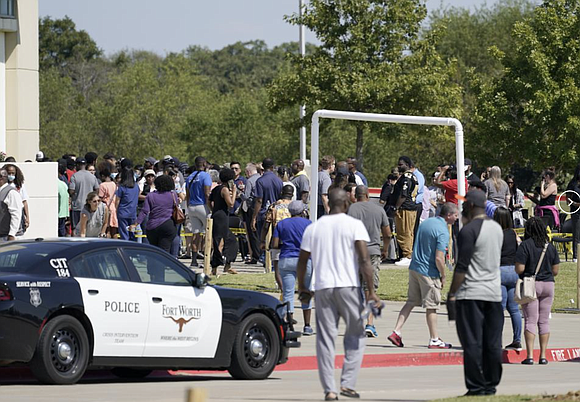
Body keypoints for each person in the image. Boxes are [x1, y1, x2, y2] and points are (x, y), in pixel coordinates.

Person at [297, 189, 381, 401]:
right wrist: (371, 291)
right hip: (348, 287)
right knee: (357, 333)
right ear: (345, 204)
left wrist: (303, 288)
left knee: (325, 339)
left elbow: (302, 261)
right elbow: (364, 261)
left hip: (323, 287)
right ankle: (347, 382)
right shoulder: (354, 226)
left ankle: (330, 390)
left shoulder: (314, 228)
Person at [448, 190, 504, 396]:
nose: (462, 208)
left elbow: (462, 266)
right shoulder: (497, 228)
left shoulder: (469, 230)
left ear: (470, 206)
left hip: (471, 293)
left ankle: (476, 386)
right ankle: (491, 383)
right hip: (493, 293)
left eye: (464, 205)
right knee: (492, 341)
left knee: (472, 341)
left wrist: (452, 293)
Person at [388, 203, 458, 349]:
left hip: (415, 267)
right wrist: (443, 275)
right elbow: (439, 258)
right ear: (449, 215)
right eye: (456, 215)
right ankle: (434, 339)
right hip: (429, 272)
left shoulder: (426, 223)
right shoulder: (443, 231)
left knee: (411, 301)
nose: (457, 219)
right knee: (432, 306)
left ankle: (397, 331)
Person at [347, 185, 391, 338]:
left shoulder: (351, 210)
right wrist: (384, 249)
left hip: (355, 253)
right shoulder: (379, 209)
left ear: (356, 195)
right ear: (367, 194)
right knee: (369, 288)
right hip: (372, 252)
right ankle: (370, 324)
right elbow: (387, 233)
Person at [515, 217, 560, 365]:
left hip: (531, 285)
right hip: (548, 285)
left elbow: (520, 269)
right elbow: (555, 270)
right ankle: (543, 356)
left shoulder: (525, 246)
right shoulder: (550, 247)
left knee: (530, 320)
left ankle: (529, 355)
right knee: (544, 321)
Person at [272, 200, 313, 335]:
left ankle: (289, 324)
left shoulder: (281, 224)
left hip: (286, 258)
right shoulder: (308, 224)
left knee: (288, 292)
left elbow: (275, 244)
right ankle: (307, 325)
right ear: (302, 212)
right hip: (304, 260)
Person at [493, 207, 522, 351]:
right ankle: (517, 340)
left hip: (500, 270)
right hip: (513, 270)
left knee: (500, 309)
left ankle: (497, 340)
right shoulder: (513, 232)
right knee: (514, 309)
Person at [130, 175, 178, 254]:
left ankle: (151, 266)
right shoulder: (173, 195)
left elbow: (144, 211)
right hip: (168, 225)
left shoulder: (150, 195)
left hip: (153, 227)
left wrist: (136, 223)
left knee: (154, 251)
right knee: (164, 251)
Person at [210, 168, 239, 275]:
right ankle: (215, 267)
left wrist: (214, 209)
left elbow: (209, 200)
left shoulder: (216, 188)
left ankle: (227, 265)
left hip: (217, 215)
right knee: (220, 242)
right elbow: (231, 204)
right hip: (222, 217)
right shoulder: (225, 190)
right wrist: (234, 192)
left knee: (229, 240)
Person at [185, 156, 212, 268]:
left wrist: (188, 207)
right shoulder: (205, 176)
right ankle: (207, 258)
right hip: (202, 206)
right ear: (204, 164)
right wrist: (210, 207)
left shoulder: (190, 177)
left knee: (195, 234)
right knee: (209, 232)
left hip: (191, 206)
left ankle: (194, 260)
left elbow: (187, 195)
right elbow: (207, 193)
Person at [392, 156, 419, 266]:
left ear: (407, 165)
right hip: (410, 207)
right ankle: (407, 254)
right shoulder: (410, 176)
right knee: (408, 232)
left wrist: (396, 207)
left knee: (405, 232)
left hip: (406, 208)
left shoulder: (407, 177)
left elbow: (404, 194)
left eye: (401, 164)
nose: (399, 167)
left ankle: (407, 255)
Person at [252, 158, 283, 242]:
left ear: (263, 166)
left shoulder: (260, 181)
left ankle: (262, 254)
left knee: (262, 240)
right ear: (273, 167)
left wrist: (254, 217)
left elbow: (259, 200)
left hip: (263, 214)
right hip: (276, 214)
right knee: (275, 240)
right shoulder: (279, 181)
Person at [68, 157, 100, 233]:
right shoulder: (92, 176)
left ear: (77, 165)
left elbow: (71, 191)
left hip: (77, 207)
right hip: (89, 207)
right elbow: (97, 190)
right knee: (87, 228)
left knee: (75, 229)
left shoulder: (74, 176)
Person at [115, 161, 140, 241]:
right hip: (133, 213)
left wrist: (115, 211)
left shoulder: (122, 187)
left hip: (123, 213)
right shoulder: (136, 186)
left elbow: (117, 201)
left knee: (124, 234)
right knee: (132, 234)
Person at [241, 162, 261, 264]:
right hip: (262, 209)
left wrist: (240, 193)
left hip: (252, 208)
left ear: (249, 172)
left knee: (252, 233)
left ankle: (255, 256)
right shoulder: (260, 178)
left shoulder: (249, 181)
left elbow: (247, 196)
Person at [4, 164, 29, 234]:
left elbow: (24, 202)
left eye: (13, 173)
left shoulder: (19, 186)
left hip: (18, 214)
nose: (11, 175)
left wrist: (27, 217)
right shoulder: (3, 185)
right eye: (9, 173)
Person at [0, 168, 23, 241]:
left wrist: (11, 234)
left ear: (1, 178)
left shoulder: (11, 192)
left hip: (7, 237)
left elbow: (16, 214)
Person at [98, 167, 118, 238]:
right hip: (114, 207)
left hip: (106, 208)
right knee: (114, 230)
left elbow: (100, 198)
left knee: (107, 230)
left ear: (103, 176)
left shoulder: (102, 185)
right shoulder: (114, 184)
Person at [567, 164, 580, 262]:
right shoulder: (572, 184)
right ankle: (575, 255)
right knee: (576, 233)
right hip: (576, 211)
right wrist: (573, 203)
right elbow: (567, 197)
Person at [57, 163, 69, 237]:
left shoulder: (54, 184)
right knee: (62, 231)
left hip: (58, 213)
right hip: (63, 213)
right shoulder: (63, 184)